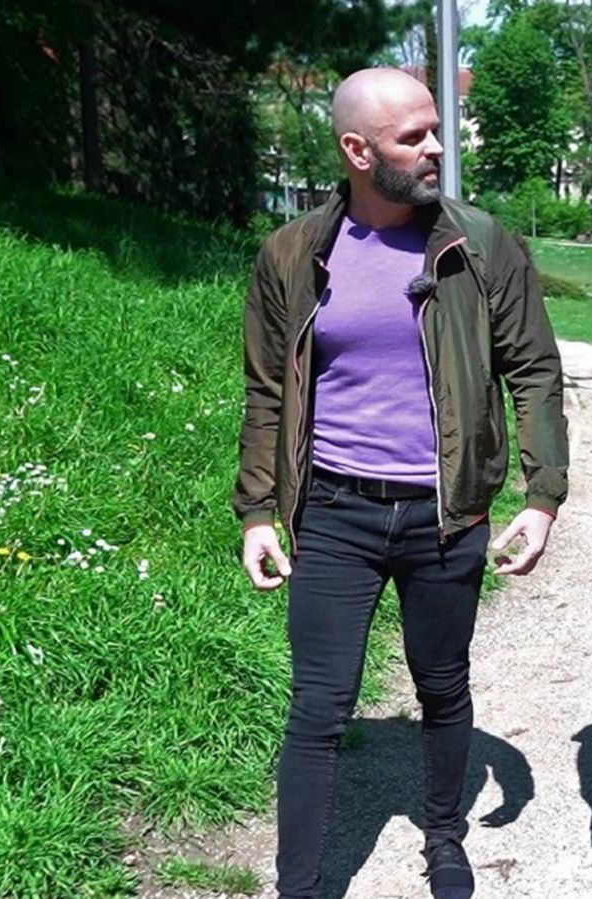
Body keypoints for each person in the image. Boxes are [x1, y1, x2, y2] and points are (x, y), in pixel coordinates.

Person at [233, 68, 568, 899]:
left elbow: (533, 370)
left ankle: (444, 837)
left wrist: (542, 496)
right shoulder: (292, 254)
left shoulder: (479, 244)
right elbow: (268, 389)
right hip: (333, 511)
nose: (436, 147)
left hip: (444, 515)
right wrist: (258, 510)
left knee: (442, 684)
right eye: (413, 136)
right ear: (357, 151)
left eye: (435, 129)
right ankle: (298, 885)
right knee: (318, 704)